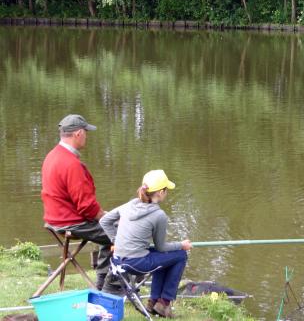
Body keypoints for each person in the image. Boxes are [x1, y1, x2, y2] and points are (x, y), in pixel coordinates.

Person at [100, 169, 192, 318]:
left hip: (117, 260)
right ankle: (164, 303)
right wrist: (182, 245)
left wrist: (115, 241)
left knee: (164, 257)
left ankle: (153, 302)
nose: (167, 193)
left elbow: (104, 221)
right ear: (161, 192)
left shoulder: (129, 205)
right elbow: (161, 246)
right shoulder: (159, 215)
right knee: (180, 255)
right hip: (136, 263)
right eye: (166, 190)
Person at [41, 114, 116, 291]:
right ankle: (110, 286)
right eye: (86, 133)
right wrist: (105, 216)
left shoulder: (52, 156)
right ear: (78, 133)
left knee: (110, 229)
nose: (87, 136)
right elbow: (87, 207)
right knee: (123, 233)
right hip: (72, 222)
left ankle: (104, 281)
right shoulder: (71, 164)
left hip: (54, 219)